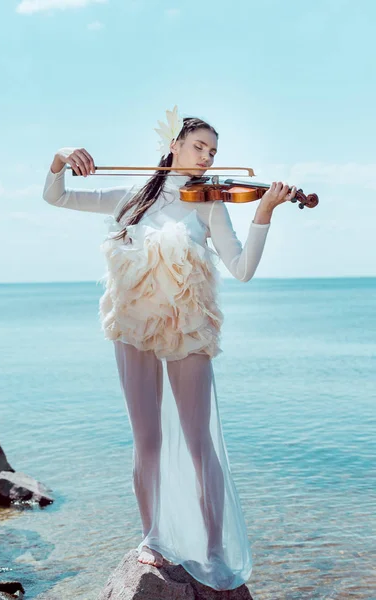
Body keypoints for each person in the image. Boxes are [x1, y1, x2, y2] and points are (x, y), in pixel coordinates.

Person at [42, 108, 296, 591]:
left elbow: (241, 268)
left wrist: (263, 213)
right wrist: (59, 158)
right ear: (175, 144)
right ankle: (153, 537)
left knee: (200, 444)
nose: (206, 158)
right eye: (199, 147)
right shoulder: (131, 196)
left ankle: (215, 545)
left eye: (213, 152)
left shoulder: (209, 202)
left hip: (188, 326)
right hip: (134, 323)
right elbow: (55, 196)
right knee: (148, 440)